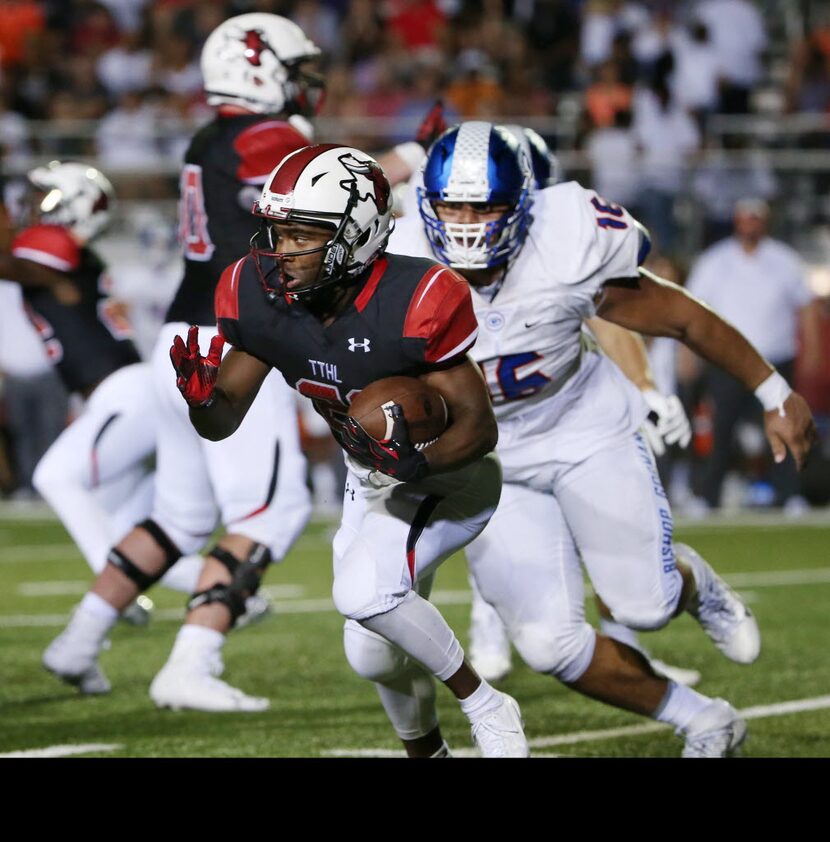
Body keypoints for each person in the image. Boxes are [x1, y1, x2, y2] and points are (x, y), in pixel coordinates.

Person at [388, 121, 816, 756]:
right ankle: (706, 720)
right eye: (453, 205)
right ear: (427, 203)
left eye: (487, 206)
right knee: (548, 646)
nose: (469, 223)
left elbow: (679, 315)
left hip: (583, 428)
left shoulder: (566, 237)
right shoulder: (394, 256)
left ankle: (693, 584)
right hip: (489, 459)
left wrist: (773, 391)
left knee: (644, 607)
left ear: (523, 207)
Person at [177, 142, 529, 758]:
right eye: (278, 232)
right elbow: (221, 423)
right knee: (370, 651)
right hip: (372, 473)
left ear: (356, 234)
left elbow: (479, 428)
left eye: (300, 235)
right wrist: (202, 400)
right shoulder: (262, 297)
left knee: (365, 596)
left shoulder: (416, 296)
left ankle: (486, 703)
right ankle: (431, 752)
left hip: (449, 476)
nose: (280, 250)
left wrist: (414, 463)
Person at [41, 13, 317, 711]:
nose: (306, 84)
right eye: (295, 69)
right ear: (259, 70)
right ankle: (193, 660)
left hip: (181, 338)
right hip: (237, 341)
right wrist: (404, 159)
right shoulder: (264, 136)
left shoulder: (208, 136)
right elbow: (317, 201)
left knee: (180, 518)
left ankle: (79, 637)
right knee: (271, 507)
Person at [685, 198, 823, 512]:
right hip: (728, 361)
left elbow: (807, 308)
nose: (751, 224)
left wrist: (812, 350)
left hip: (776, 359)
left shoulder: (785, 260)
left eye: (756, 218)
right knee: (720, 428)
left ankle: (790, 494)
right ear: (736, 220)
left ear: (766, 221)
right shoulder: (715, 261)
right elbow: (692, 311)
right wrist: (688, 355)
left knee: (787, 427)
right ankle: (707, 496)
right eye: (746, 218)